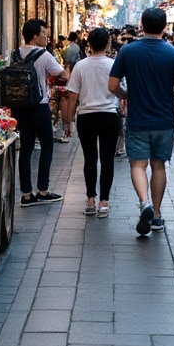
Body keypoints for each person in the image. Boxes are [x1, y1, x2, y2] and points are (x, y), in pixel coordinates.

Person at [110, 8, 174, 236]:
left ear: (142, 25)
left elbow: (112, 85)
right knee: (158, 165)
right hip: (164, 119)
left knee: (137, 164)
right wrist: (171, 96)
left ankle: (144, 202)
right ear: (165, 27)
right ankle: (155, 214)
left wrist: (126, 95)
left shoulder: (128, 51)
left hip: (137, 118)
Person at [13, 19, 68, 207]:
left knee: (26, 150)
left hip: (20, 108)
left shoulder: (16, 53)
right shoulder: (43, 55)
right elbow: (62, 74)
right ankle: (43, 190)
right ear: (35, 36)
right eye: (43, 33)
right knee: (46, 146)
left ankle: (26, 194)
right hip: (39, 106)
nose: (46, 37)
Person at [66, 28, 119, 218]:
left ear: (89, 44)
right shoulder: (113, 65)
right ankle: (104, 202)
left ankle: (90, 199)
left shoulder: (80, 66)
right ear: (107, 44)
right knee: (107, 159)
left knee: (90, 159)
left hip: (86, 117)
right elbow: (121, 90)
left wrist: (69, 121)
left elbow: (73, 97)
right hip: (109, 116)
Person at [59, 31, 84, 141]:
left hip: (67, 73)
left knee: (66, 99)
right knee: (69, 99)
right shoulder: (74, 47)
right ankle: (69, 124)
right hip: (71, 74)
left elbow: (67, 61)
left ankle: (67, 127)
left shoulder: (68, 47)